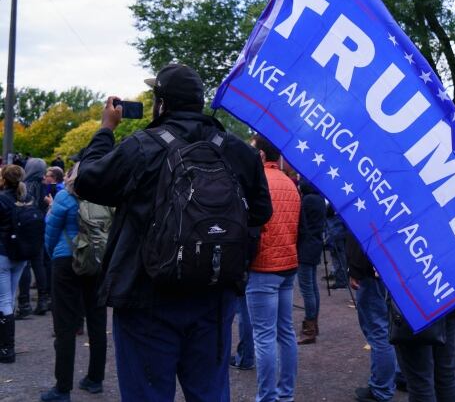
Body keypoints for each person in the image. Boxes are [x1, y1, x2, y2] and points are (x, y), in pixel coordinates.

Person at [73, 64, 273, 401]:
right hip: (214, 292)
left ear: (161, 104)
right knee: (209, 393)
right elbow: (261, 212)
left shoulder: (142, 147)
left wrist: (106, 129)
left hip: (147, 295)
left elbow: (87, 181)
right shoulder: (238, 150)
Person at [40, 163, 107, 402]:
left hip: (66, 261)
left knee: (65, 326)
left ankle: (62, 388)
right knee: (97, 320)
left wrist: (54, 256)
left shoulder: (64, 198)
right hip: (96, 263)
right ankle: (95, 379)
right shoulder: (103, 198)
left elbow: (50, 232)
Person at [246, 134, 299, 402]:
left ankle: (266, 398)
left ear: (262, 155)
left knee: (264, 336)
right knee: (285, 332)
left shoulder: (257, 183)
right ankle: (285, 394)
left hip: (263, 267)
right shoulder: (291, 184)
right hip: (288, 264)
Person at [347, 230, 396, 402]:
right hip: (393, 267)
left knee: (379, 332)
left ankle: (381, 388)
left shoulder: (367, 204)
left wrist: (355, 269)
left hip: (372, 272)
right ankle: (399, 375)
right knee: (394, 326)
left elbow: (361, 233)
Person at [0, 165, 30, 363]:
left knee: (5, 299)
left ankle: (6, 349)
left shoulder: (2, 198)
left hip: (3, 252)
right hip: (22, 253)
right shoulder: (26, 198)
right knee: (8, 297)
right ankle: (7, 346)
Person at [16, 158, 51, 318]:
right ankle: (43, 300)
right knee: (39, 264)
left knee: (25, 265)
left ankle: (24, 303)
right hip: (40, 227)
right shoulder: (45, 186)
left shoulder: (24, 187)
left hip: (25, 228)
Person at [296, 179, 325, 345]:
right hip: (315, 245)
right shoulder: (319, 199)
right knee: (313, 287)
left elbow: (301, 224)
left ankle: (309, 328)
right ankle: (314, 323)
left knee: (307, 289)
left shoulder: (307, 200)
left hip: (305, 248)